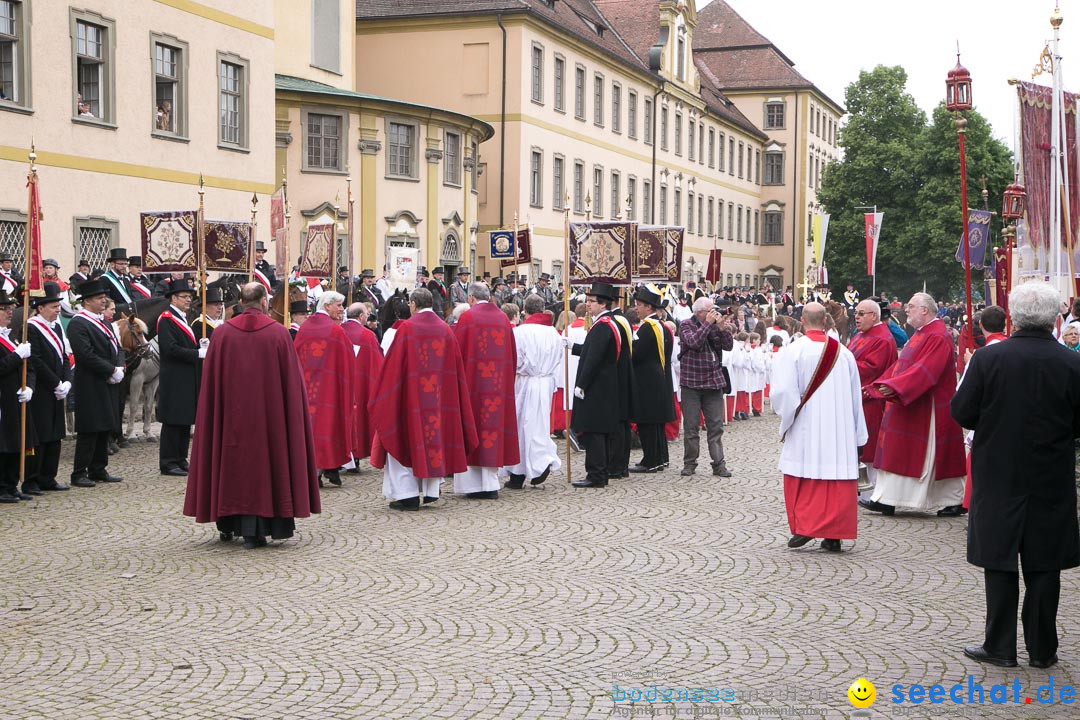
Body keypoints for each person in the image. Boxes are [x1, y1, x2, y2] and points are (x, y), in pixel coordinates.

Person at [951, 281, 1080, 669]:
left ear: (1014, 316)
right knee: (1045, 563)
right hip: (1051, 472)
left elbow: (962, 411)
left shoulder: (990, 359)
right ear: (1054, 317)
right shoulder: (1072, 362)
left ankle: (1000, 645)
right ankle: (1043, 648)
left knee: (1000, 560)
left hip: (1000, 469)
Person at [184, 283, 319, 549]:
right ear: (264, 303)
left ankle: (229, 522)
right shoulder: (279, 334)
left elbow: (211, 387)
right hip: (271, 421)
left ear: (241, 302)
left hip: (230, 418)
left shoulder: (222, 335)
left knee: (232, 462)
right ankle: (268, 523)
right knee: (269, 463)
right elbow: (292, 385)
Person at [370, 288, 477, 510]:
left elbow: (393, 367)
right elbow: (455, 371)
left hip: (411, 397)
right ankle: (430, 491)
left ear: (413, 304)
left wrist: (385, 395)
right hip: (438, 399)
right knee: (433, 440)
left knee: (406, 438)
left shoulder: (407, 328)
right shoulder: (445, 330)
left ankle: (406, 494)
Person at [773, 302, 867, 552]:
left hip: (806, 425)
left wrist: (786, 420)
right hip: (839, 428)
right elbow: (855, 396)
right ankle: (834, 535)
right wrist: (858, 435)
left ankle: (807, 527)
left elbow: (783, 392)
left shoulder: (794, 351)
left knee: (806, 472)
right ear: (825, 321)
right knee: (835, 477)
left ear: (802, 321)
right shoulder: (844, 353)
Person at [862, 292, 966, 515]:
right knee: (896, 449)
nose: (906, 310)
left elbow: (927, 370)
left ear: (924, 310)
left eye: (910, 306)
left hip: (925, 405)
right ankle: (886, 497)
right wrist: (886, 382)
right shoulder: (923, 333)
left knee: (917, 453)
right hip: (910, 399)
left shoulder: (937, 335)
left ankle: (951, 500)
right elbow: (903, 365)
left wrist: (897, 387)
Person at [452, 282, 519, 499]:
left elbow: (458, 353)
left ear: (471, 298)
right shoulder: (502, 318)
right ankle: (490, 484)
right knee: (493, 431)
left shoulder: (467, 318)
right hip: (498, 386)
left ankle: (472, 486)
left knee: (473, 428)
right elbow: (512, 355)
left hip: (473, 385)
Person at [567, 282, 626, 488]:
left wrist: (581, 384)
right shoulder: (606, 324)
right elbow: (591, 351)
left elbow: (594, 358)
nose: (588, 305)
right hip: (604, 384)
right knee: (597, 431)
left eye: (592, 302)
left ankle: (596, 473)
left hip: (597, 386)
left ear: (603, 304)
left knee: (595, 431)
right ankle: (597, 472)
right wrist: (574, 347)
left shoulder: (603, 326)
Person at [67, 279, 124, 488]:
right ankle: (79, 471)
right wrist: (110, 370)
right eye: (100, 298)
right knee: (90, 428)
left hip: (109, 380)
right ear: (88, 301)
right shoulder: (78, 323)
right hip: (90, 381)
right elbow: (85, 354)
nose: (103, 301)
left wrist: (119, 367)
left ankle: (98, 468)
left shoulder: (104, 322)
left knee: (105, 425)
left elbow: (117, 347)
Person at [293, 291, 354, 488]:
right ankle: (323, 468)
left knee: (310, 429)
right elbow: (348, 361)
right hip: (328, 390)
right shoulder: (335, 331)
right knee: (326, 428)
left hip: (306, 388)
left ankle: (316, 470)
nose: (342, 310)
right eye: (338, 305)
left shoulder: (305, 328)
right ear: (327, 306)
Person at [505, 294, 562, 489]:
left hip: (525, 382)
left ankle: (527, 469)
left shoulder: (521, 332)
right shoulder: (553, 333)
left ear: (525, 311)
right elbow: (558, 358)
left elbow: (515, 358)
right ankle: (526, 468)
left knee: (523, 426)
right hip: (545, 382)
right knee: (539, 424)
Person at [847, 300, 898, 497]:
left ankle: (872, 489)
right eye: (856, 313)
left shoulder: (882, 339)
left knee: (870, 443)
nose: (856, 317)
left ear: (874, 316)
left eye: (861, 313)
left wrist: (845, 363)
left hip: (871, 399)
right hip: (858, 397)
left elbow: (873, 368)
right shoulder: (861, 334)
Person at [678, 297, 734, 477]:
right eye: (710, 310)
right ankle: (689, 463)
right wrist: (708, 325)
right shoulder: (686, 324)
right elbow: (694, 342)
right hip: (691, 383)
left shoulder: (714, 325)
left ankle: (719, 464)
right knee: (691, 427)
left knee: (715, 426)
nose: (713, 313)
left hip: (713, 382)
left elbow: (728, 346)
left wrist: (722, 328)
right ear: (699, 312)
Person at [25, 283, 72, 494]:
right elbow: (35, 360)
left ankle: (49, 477)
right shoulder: (31, 327)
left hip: (58, 389)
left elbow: (63, 355)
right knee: (41, 435)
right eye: (54, 306)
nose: (58, 310)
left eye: (58, 306)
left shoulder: (57, 326)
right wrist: (55, 382)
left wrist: (67, 381)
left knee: (55, 434)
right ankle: (32, 479)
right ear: (41, 308)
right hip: (42, 389)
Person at [156, 278, 203, 476]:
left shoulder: (182, 317)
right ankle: (168, 461)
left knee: (184, 419)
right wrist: (196, 353)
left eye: (189, 297)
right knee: (173, 421)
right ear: (173, 298)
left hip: (185, 376)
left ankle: (181, 458)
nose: (188, 300)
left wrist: (200, 346)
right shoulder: (166, 319)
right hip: (174, 376)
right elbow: (170, 348)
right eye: (184, 297)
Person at [629, 284, 676, 473]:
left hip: (646, 379)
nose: (636, 308)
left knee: (648, 421)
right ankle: (660, 457)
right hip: (660, 375)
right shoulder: (663, 327)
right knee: (657, 422)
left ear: (648, 307)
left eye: (639, 305)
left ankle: (650, 459)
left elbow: (636, 354)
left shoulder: (647, 328)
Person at [0, 291, 35, 503]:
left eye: (10, 309)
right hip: (2, 399)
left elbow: (28, 367)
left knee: (15, 442)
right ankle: (2, 486)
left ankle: (12, 484)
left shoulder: (10, 336)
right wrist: (16, 356)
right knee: (3, 443)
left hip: (16, 397)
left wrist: (29, 386)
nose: (9, 313)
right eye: (4, 309)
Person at [341, 302, 384, 464]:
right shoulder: (367, 335)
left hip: (342, 381)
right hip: (361, 383)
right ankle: (355, 456)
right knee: (358, 418)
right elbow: (378, 361)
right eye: (366, 314)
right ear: (360, 316)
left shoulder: (338, 331)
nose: (368, 317)